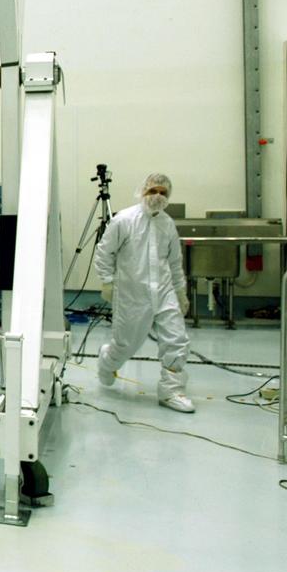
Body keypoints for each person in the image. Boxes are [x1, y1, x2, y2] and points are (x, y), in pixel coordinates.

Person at [94, 173, 194, 413]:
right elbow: (104, 252)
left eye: (163, 192)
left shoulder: (167, 224)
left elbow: (174, 261)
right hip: (132, 294)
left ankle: (172, 391)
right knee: (126, 345)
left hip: (164, 292)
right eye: (153, 191)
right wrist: (107, 282)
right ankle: (107, 361)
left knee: (176, 339)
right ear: (142, 192)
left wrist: (180, 292)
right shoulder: (124, 220)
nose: (158, 196)